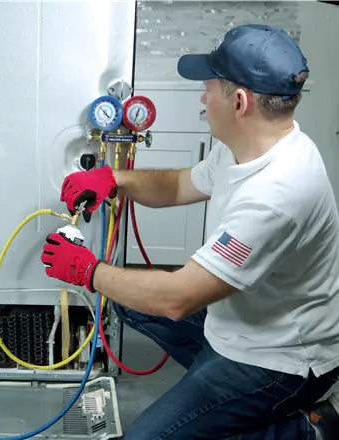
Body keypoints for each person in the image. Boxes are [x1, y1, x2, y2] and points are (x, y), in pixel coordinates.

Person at [41, 24, 339, 440]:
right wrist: (114, 179)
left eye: (208, 88)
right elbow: (179, 185)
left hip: (277, 361)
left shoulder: (277, 195)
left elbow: (177, 299)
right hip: (240, 323)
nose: (202, 98)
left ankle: (307, 430)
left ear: (239, 102)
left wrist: (86, 271)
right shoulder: (245, 145)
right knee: (129, 301)